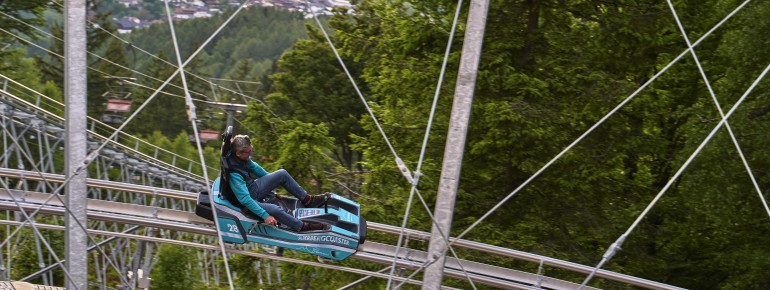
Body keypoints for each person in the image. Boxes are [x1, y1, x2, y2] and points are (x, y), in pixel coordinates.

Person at [227, 134, 327, 231]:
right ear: (238, 153)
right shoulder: (234, 173)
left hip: (253, 189)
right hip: (249, 202)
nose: (250, 154)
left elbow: (256, 169)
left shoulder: (243, 158)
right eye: (248, 152)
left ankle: (308, 200)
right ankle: (303, 226)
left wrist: (272, 185)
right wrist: (265, 216)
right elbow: (245, 200)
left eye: (251, 150)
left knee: (282, 174)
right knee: (275, 210)